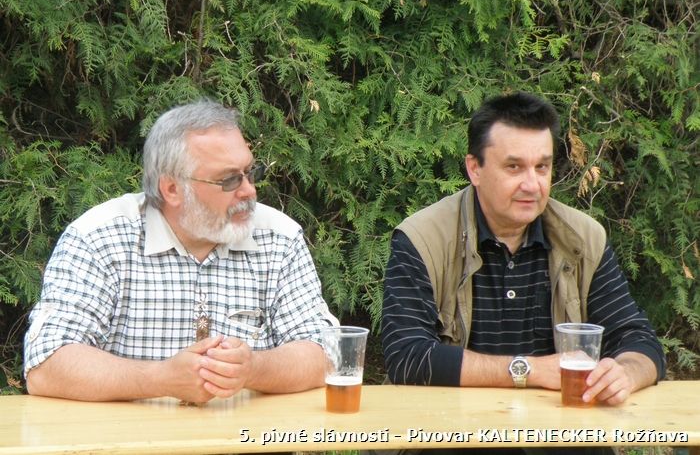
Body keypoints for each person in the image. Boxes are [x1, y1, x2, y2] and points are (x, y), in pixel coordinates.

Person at [24, 99, 338, 403]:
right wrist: (159, 379)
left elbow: (327, 353)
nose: (249, 190)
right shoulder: (99, 239)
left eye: (250, 172)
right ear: (172, 189)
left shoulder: (279, 238)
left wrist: (253, 369)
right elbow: (46, 364)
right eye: (229, 179)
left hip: (246, 433)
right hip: (128, 434)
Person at [382, 91, 665, 408]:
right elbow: (406, 356)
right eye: (514, 167)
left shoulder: (583, 238)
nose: (532, 185)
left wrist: (625, 374)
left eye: (542, 167)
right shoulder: (423, 238)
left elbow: (639, 340)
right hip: (451, 426)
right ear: (475, 169)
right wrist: (528, 370)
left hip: (560, 429)